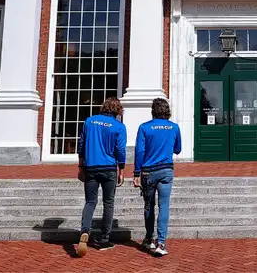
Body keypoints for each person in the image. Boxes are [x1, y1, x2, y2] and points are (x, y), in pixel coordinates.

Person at [76, 96, 126, 257]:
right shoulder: (118, 126)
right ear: (117, 110)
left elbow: (82, 144)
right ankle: (104, 238)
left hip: (91, 166)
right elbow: (120, 150)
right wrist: (122, 170)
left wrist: (80, 166)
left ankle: (85, 230)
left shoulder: (90, 121)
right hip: (109, 168)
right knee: (108, 203)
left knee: (90, 201)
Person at [133, 97, 181, 258]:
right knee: (164, 206)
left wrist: (136, 173)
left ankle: (149, 238)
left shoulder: (144, 127)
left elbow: (139, 152)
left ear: (153, 111)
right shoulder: (174, 127)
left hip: (148, 171)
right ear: (167, 111)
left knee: (149, 205)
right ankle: (161, 242)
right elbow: (178, 149)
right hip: (166, 170)